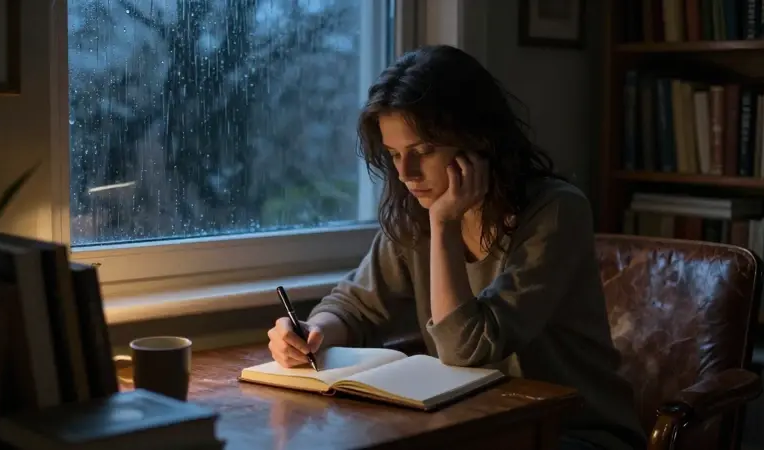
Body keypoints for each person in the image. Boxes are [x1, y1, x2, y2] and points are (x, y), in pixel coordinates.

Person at [266, 45, 646, 450]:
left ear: (475, 139)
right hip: (475, 424)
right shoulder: (417, 213)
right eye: (394, 155)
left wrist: (444, 225)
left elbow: (468, 350)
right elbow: (355, 305)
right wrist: (313, 332)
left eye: (423, 151)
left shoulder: (556, 212)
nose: (406, 174)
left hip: (574, 431)